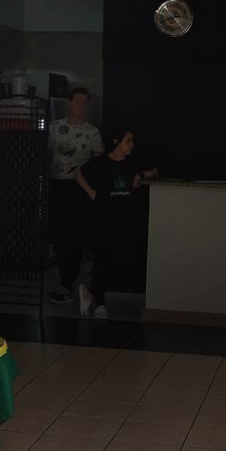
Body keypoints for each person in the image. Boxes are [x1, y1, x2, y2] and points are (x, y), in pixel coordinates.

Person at [75, 126, 142, 319]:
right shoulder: (101, 163)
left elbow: (141, 178)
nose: (131, 145)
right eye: (127, 141)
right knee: (102, 258)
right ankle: (100, 302)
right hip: (102, 217)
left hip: (122, 218)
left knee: (112, 259)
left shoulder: (131, 164)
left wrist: (140, 178)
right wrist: (91, 193)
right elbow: (79, 174)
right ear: (116, 142)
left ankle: (91, 293)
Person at [48, 87, 104, 305]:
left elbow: (99, 164)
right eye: (76, 101)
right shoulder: (54, 128)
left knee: (76, 236)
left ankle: (69, 282)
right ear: (69, 103)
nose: (79, 106)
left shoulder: (92, 133)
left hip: (80, 189)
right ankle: (64, 280)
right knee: (59, 234)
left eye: (83, 102)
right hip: (57, 186)